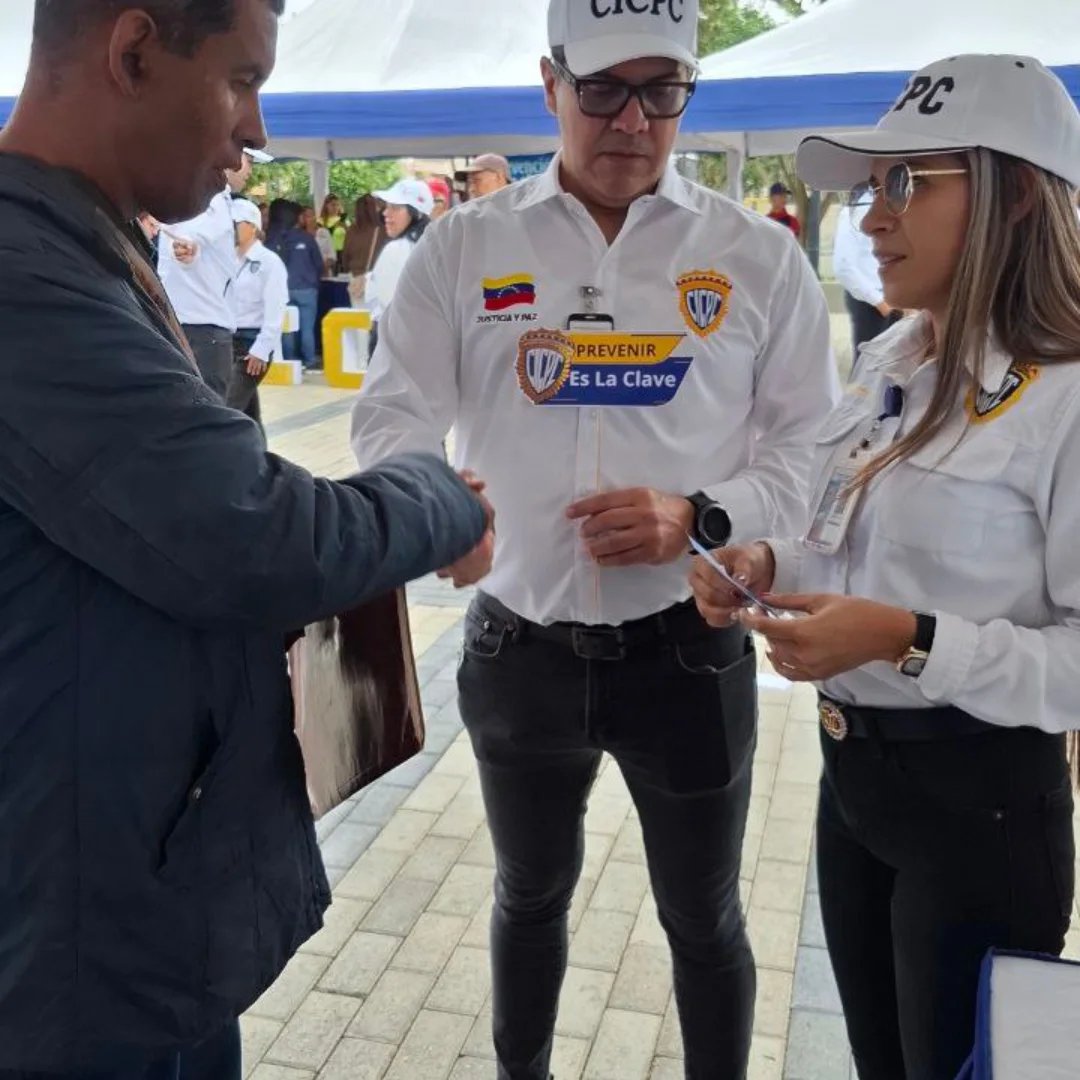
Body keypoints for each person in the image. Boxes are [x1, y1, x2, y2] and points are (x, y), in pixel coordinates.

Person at [0, 1, 492, 1076]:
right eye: (241, 80)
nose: (256, 130)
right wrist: (442, 499)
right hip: (79, 942)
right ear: (134, 51)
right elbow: (252, 535)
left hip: (130, 891)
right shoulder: (21, 275)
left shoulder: (77, 243)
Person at [351, 0, 839, 1076]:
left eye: (661, 92)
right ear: (550, 85)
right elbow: (389, 415)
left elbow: (813, 448)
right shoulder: (467, 245)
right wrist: (439, 505)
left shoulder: (756, 256)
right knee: (528, 896)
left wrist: (701, 515)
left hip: (686, 654)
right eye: (604, 89)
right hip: (517, 647)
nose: (632, 120)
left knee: (704, 918)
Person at [690, 52, 1080, 1080]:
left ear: (1018, 194)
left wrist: (907, 642)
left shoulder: (1069, 396)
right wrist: (768, 559)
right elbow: (847, 533)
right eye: (872, 187)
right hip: (855, 789)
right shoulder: (891, 361)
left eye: (907, 182)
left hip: (982, 810)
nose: (872, 219)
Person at [158, 144, 270, 397]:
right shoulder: (213, 198)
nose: (250, 171)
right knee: (209, 408)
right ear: (230, 156)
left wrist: (189, 246)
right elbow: (194, 236)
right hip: (204, 330)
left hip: (186, 324)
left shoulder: (189, 191)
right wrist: (189, 247)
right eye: (249, 161)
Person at [229, 197, 289, 430]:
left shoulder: (269, 263)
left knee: (228, 407)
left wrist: (261, 350)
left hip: (252, 344)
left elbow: (275, 311)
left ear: (253, 226)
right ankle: (259, 451)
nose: (232, 228)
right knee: (248, 413)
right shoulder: (227, 260)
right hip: (228, 342)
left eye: (237, 223)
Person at [365, 177, 433, 357]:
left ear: (415, 213)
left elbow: (389, 306)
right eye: (386, 207)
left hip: (395, 344)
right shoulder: (434, 246)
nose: (386, 213)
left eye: (395, 207)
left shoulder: (397, 249)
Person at [833, 200, 900, 360]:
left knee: (894, 364)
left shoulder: (895, 205)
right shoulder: (853, 212)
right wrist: (879, 302)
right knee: (868, 364)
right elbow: (843, 266)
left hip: (895, 299)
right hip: (870, 303)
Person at [267, 199, 325, 370]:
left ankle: (290, 361)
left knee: (287, 328)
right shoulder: (307, 238)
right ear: (297, 218)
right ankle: (309, 360)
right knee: (307, 327)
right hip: (307, 289)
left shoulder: (272, 239)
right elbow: (319, 264)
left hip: (284, 290)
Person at [317, 192, 349, 270]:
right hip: (326, 255)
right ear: (326, 206)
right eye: (333, 205)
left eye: (337, 205)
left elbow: (351, 237)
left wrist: (345, 228)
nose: (335, 207)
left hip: (342, 254)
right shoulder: (319, 221)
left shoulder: (344, 221)